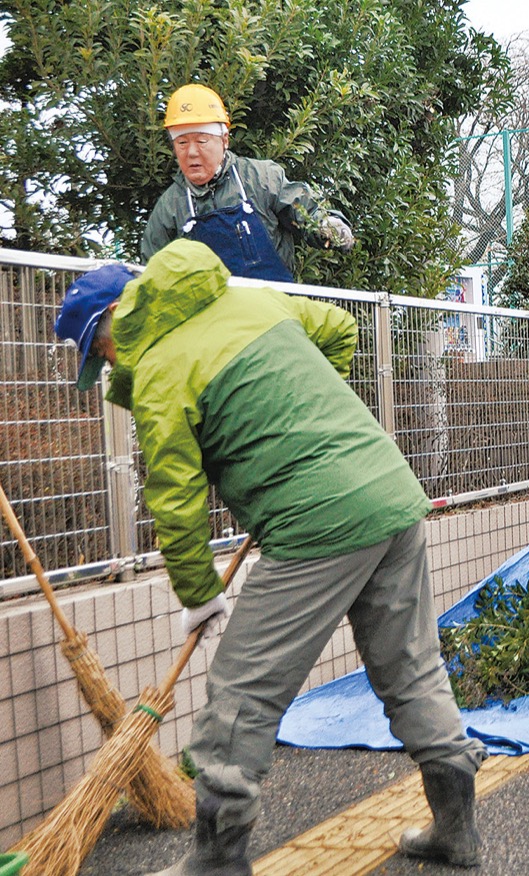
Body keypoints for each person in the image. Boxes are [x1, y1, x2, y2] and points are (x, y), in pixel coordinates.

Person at [53, 240, 486, 874]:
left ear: (120, 312)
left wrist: (198, 594)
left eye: (101, 347)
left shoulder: (160, 371)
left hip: (319, 524)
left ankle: (217, 862)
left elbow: (176, 502)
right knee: (412, 670)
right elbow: (341, 327)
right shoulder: (245, 301)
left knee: (240, 693)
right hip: (389, 495)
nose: (108, 361)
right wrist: (298, 409)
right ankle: (457, 831)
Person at [142, 84, 354, 282]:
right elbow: (152, 275)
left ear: (224, 140)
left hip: (275, 308)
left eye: (201, 141)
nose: (192, 152)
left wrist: (328, 227)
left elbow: (303, 210)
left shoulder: (261, 178)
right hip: (212, 318)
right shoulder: (170, 207)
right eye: (182, 142)